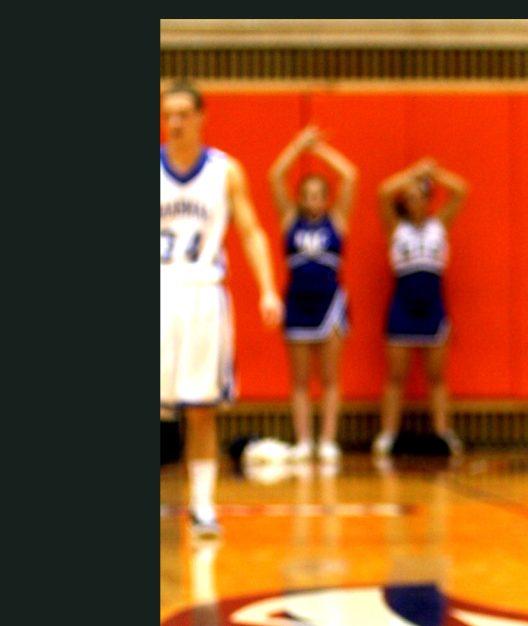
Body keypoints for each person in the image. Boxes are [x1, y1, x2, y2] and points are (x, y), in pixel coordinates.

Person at [161, 81, 283, 537]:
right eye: (167, 114)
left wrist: (268, 288)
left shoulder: (225, 171)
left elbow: (250, 231)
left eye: (182, 114)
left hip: (204, 293)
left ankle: (203, 505)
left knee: (201, 408)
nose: (174, 123)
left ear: (200, 116)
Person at [268, 125, 358, 463]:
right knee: (300, 379)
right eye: (308, 194)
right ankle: (304, 440)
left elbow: (350, 175)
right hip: (297, 303)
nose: (313, 200)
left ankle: (328, 439)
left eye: (320, 194)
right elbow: (275, 175)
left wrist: (319, 151)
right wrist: (298, 145)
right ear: (300, 198)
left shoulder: (337, 220)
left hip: (330, 303)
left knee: (331, 376)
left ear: (327, 198)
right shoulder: (290, 220)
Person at [374, 157, 469, 458]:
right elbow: (382, 192)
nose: (416, 202)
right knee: (395, 376)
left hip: (433, 305)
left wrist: (435, 173)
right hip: (402, 304)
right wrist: (413, 174)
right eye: (411, 197)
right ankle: (388, 434)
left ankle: (443, 433)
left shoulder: (439, 225)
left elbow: (461, 190)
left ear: (428, 199)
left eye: (421, 196)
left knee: (437, 377)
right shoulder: (395, 227)